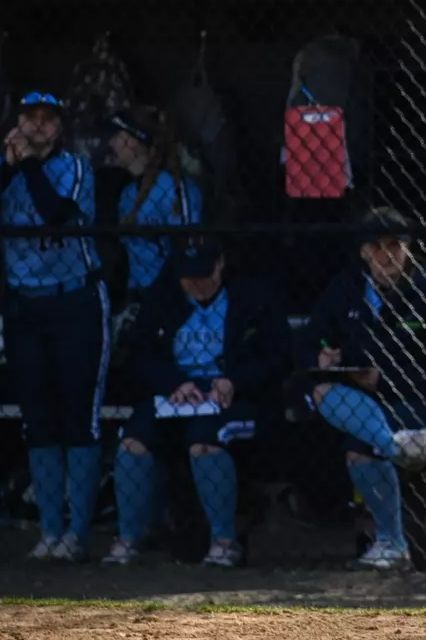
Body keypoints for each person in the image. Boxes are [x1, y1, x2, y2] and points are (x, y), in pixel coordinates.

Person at [302, 207, 426, 571]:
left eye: (395, 245)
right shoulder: (348, 287)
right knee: (321, 395)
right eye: (376, 247)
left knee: (362, 441)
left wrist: (387, 378)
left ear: (409, 249)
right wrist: (322, 352)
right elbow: (310, 338)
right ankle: (393, 541)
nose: (386, 255)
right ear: (363, 251)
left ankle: (393, 540)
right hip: (374, 404)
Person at [105, 240, 289, 567]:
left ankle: (223, 541)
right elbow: (140, 357)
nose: (197, 285)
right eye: (189, 278)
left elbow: (277, 358)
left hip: (232, 396)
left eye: (204, 275)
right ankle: (129, 538)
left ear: (220, 264)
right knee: (133, 440)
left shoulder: (252, 299)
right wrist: (173, 383)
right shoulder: (162, 300)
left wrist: (235, 380)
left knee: (204, 441)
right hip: (178, 393)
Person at [4, 91, 109, 563]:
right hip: (25, 306)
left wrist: (26, 166)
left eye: (48, 120)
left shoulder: (76, 167)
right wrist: (9, 166)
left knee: (77, 419)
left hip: (76, 300)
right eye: (31, 119)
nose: (39, 127)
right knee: (39, 421)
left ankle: (76, 533)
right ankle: (49, 531)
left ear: (60, 127)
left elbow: (57, 215)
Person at [107, 105, 205, 298]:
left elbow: (189, 250)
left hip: (169, 294)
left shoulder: (173, 188)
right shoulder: (127, 192)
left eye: (116, 135)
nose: (110, 142)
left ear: (133, 141)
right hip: (133, 293)